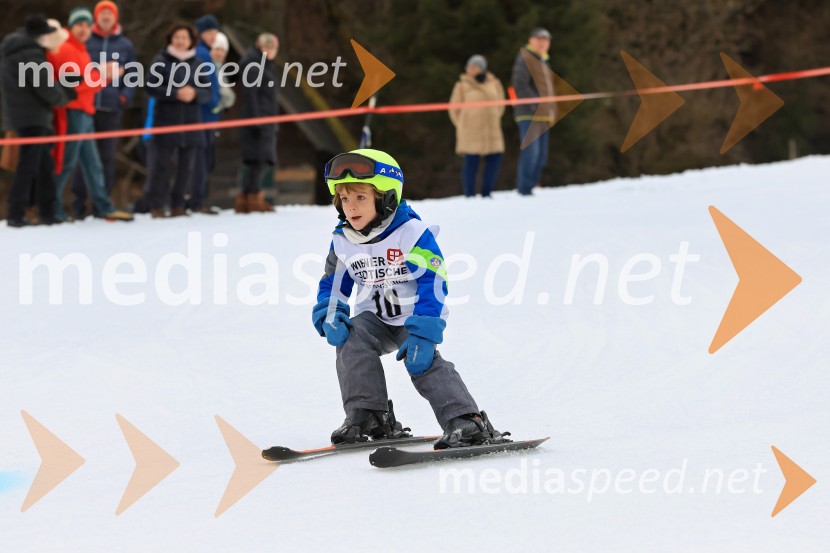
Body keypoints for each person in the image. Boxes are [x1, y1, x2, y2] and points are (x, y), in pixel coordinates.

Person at [312, 148, 510, 449]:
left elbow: (433, 280)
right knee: (351, 340)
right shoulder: (343, 240)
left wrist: (425, 328)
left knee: (422, 360)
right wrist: (330, 312)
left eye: (361, 197)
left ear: (386, 196)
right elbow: (333, 283)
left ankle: (466, 420)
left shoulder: (410, 233)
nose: (350, 206)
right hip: (375, 320)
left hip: (412, 318)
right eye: (344, 198)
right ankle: (367, 415)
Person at [49, 7, 132, 222]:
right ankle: (51, 207)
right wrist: (103, 76)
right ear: (71, 27)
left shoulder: (82, 50)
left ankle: (104, 206)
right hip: (73, 112)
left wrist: (101, 77)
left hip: (86, 112)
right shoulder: (66, 49)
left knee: (93, 164)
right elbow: (72, 86)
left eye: (87, 25)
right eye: (79, 25)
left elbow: (88, 81)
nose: (84, 29)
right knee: (66, 162)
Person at [1, 15, 72, 227]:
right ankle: (16, 213)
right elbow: (45, 88)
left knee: (43, 165)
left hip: (23, 116)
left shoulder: (14, 50)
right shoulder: (31, 54)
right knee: (28, 166)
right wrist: (65, 95)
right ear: (41, 36)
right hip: (33, 118)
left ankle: (47, 211)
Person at [71, 0, 137, 218]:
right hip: (86, 106)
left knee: (106, 157)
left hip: (111, 107)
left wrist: (124, 98)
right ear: (96, 18)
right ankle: (78, 206)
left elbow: (132, 76)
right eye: (102, 13)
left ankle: (102, 206)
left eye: (110, 13)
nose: (106, 17)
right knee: (82, 157)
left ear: (115, 18)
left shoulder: (125, 45)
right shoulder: (85, 41)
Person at [144, 22, 212, 218]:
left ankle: (178, 205)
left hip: (191, 123)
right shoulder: (160, 61)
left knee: (186, 168)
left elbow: (208, 92)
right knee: (161, 166)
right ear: (170, 39)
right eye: (177, 37)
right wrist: (175, 93)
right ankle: (157, 205)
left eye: (184, 38)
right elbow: (150, 87)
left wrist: (194, 94)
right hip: (166, 121)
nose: (180, 41)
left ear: (191, 41)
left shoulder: (198, 64)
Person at [449, 54, 505, 198]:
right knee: (471, 161)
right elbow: (453, 108)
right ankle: (469, 194)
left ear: (481, 68)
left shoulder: (494, 83)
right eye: (469, 66)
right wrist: (462, 124)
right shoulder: (462, 85)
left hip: (492, 129)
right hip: (470, 131)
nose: (470, 69)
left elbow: (500, 105)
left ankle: (487, 192)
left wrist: (492, 117)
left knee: (495, 158)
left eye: (474, 66)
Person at [237, 33, 279, 213]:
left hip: (266, 118)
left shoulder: (264, 66)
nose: (268, 51)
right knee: (259, 160)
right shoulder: (254, 65)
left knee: (261, 160)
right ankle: (251, 197)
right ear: (258, 47)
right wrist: (257, 121)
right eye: (265, 47)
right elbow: (251, 94)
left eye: (272, 48)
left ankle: (249, 196)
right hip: (259, 120)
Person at [511, 27, 555, 196]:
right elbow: (520, 84)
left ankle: (532, 184)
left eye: (546, 40)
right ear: (531, 40)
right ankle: (525, 188)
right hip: (529, 113)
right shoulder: (525, 58)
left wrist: (549, 111)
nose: (542, 43)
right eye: (539, 39)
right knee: (531, 152)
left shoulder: (544, 61)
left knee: (541, 156)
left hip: (544, 115)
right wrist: (535, 106)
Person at [186, 15, 221, 213]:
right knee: (201, 160)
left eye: (215, 32)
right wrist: (214, 102)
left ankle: (198, 199)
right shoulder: (202, 54)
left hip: (206, 114)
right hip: (204, 115)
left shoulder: (203, 52)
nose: (214, 35)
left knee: (202, 159)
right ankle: (197, 201)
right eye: (211, 32)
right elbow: (207, 85)